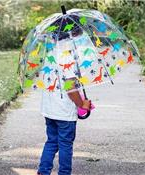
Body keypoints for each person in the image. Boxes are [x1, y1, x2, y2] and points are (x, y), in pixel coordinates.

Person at [37, 32, 91, 175]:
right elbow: (70, 88)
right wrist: (82, 104)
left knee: (52, 141)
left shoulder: (50, 54)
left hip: (50, 110)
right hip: (64, 112)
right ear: (72, 36)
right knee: (65, 144)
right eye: (78, 34)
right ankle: (64, 173)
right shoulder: (67, 56)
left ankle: (43, 171)